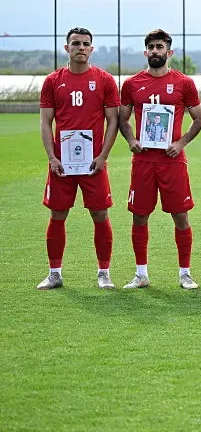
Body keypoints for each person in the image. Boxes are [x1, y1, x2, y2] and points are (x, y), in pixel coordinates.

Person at [118, 29, 201, 290]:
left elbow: (199, 118)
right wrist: (132, 140)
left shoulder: (183, 83)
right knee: (140, 217)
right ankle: (141, 274)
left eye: (160, 47)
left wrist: (181, 143)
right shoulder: (132, 84)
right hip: (144, 162)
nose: (155, 51)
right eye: (151, 47)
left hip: (172, 162)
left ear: (170, 52)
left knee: (180, 216)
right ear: (145, 52)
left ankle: (185, 273)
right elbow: (122, 119)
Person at [36, 27, 121, 290]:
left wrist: (102, 156)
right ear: (67, 48)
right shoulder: (53, 81)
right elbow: (45, 121)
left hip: (93, 163)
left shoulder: (105, 80)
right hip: (62, 163)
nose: (81, 47)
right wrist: (52, 157)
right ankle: (54, 273)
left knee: (100, 214)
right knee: (58, 214)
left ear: (91, 49)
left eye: (85, 44)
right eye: (76, 43)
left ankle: (104, 273)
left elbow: (113, 121)